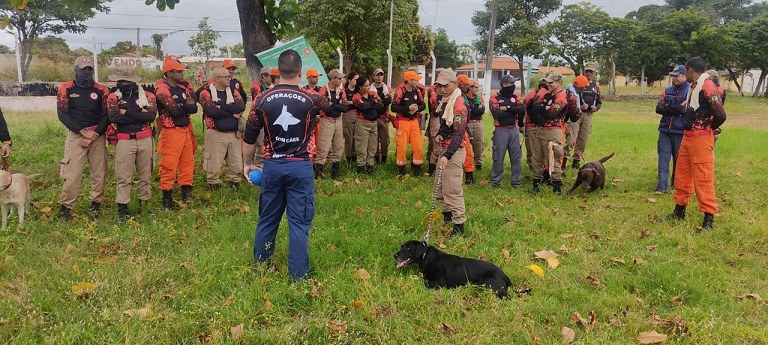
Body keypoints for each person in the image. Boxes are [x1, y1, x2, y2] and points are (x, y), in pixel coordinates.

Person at [242, 49, 327, 280]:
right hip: (300, 166)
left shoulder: (261, 99)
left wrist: (247, 164)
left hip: (273, 166)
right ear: (300, 72)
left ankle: (261, 268)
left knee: (268, 218)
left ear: (278, 72)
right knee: (299, 223)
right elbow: (333, 108)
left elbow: (249, 137)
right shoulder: (313, 99)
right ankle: (298, 276)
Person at [664, 57, 726, 230]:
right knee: (682, 175)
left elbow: (721, 114)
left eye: (686, 71)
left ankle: (708, 218)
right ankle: (679, 211)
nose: (685, 74)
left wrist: (707, 128)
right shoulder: (694, 86)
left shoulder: (707, 85)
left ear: (690, 70)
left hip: (701, 139)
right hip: (687, 137)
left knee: (703, 178)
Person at [57, 56, 110, 221]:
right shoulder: (65, 88)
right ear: (76, 70)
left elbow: (107, 115)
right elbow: (63, 115)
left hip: (97, 135)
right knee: (72, 174)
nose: (86, 72)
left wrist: (94, 134)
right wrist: (82, 132)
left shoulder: (102, 90)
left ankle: (95, 205)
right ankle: (66, 207)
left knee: (99, 173)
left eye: (89, 69)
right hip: (76, 135)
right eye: (83, 69)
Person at [106, 66, 157, 221]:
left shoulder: (147, 95)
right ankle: (122, 209)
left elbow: (151, 117)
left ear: (133, 81)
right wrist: (140, 114)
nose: (123, 84)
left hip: (145, 139)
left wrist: (127, 112)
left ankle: (144, 205)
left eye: (126, 81)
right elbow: (114, 118)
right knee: (123, 177)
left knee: (145, 175)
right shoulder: (113, 97)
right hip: (124, 140)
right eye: (120, 81)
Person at [155, 56, 199, 211]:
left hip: (185, 129)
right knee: (168, 165)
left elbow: (194, 108)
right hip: (170, 132)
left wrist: (182, 106)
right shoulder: (162, 89)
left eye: (182, 71)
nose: (182, 74)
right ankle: (167, 199)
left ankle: (186, 193)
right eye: (178, 71)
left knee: (187, 163)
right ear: (169, 73)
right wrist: (184, 106)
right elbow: (174, 110)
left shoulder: (182, 87)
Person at [433, 69, 468, 236]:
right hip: (445, 148)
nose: (442, 89)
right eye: (439, 86)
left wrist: (447, 155)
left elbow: (458, 134)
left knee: (452, 190)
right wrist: (440, 134)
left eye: (445, 86)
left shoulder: (459, 104)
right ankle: (447, 219)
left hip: (454, 151)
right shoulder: (446, 100)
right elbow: (447, 125)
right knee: (440, 187)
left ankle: (459, 226)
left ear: (455, 84)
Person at [200, 67, 246, 189]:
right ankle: (214, 184)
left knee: (236, 163)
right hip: (215, 132)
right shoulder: (206, 93)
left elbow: (241, 107)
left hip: (233, 133)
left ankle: (234, 182)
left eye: (229, 76)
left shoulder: (234, 92)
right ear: (216, 78)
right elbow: (211, 111)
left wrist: (221, 107)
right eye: (226, 77)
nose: (229, 78)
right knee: (213, 163)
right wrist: (232, 113)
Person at [529, 71, 569, 195]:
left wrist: (542, 109)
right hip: (540, 129)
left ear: (559, 82)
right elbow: (534, 109)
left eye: (551, 83)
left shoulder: (562, 97)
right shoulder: (547, 95)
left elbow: (551, 113)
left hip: (553, 131)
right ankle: (535, 187)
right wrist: (543, 109)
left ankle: (557, 189)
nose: (548, 85)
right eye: (547, 82)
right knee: (537, 158)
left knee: (553, 158)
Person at [654, 65, 689, 194]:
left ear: (684, 76)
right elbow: (658, 108)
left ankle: (677, 185)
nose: (674, 78)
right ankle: (662, 187)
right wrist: (676, 108)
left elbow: (684, 110)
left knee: (679, 160)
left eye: (677, 76)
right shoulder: (667, 90)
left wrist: (668, 108)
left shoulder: (690, 90)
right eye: (673, 76)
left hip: (680, 131)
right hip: (664, 129)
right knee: (663, 158)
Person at [489, 75, 525, 188]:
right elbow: (497, 114)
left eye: (514, 83)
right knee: (498, 156)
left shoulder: (516, 96)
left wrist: (507, 108)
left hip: (514, 129)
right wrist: (514, 110)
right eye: (511, 83)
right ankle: (496, 182)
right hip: (501, 130)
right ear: (504, 85)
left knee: (516, 157)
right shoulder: (495, 98)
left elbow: (522, 110)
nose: (513, 85)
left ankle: (516, 182)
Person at [566, 64, 602, 169]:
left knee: (583, 139)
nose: (589, 73)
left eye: (591, 72)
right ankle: (564, 159)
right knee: (571, 138)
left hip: (588, 114)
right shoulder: (576, 84)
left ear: (594, 73)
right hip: (576, 113)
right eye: (587, 71)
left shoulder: (595, 86)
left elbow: (599, 102)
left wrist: (596, 108)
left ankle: (576, 161)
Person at [391, 70, 426, 176]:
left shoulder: (417, 90)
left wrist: (417, 108)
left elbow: (423, 105)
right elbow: (393, 107)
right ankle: (401, 170)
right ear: (410, 81)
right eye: (416, 80)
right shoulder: (400, 91)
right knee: (402, 147)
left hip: (414, 121)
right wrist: (407, 108)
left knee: (418, 145)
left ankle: (417, 168)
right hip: (402, 121)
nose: (418, 82)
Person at [315, 69, 348, 179]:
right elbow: (326, 108)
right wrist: (338, 106)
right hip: (327, 120)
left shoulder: (341, 91)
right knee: (323, 146)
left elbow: (346, 108)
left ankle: (335, 173)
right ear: (332, 79)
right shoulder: (323, 90)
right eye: (339, 78)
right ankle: (318, 173)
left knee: (338, 146)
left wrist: (333, 104)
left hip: (338, 120)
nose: (341, 80)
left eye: (341, 78)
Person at [352, 79, 384, 174]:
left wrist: (369, 104)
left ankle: (370, 165)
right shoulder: (356, 96)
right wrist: (373, 103)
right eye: (366, 86)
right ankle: (361, 166)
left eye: (369, 85)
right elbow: (361, 107)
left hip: (374, 123)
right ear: (360, 87)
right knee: (361, 146)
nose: (368, 87)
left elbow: (381, 104)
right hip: (362, 124)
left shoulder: (373, 93)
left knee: (372, 146)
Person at [249, 66, 273, 170]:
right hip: (259, 118)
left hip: (270, 118)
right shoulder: (256, 86)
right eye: (271, 76)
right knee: (260, 143)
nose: (273, 78)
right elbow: (260, 101)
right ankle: (259, 166)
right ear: (264, 76)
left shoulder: (273, 85)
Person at [462, 76, 486, 172]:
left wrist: (472, 109)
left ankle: (478, 163)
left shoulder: (479, 98)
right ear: (470, 87)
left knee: (479, 144)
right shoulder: (463, 97)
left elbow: (481, 111)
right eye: (475, 87)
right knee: (465, 144)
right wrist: (475, 109)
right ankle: (465, 164)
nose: (477, 89)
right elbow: (466, 111)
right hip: (467, 124)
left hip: (478, 123)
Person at [370, 68, 392, 164]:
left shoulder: (387, 89)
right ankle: (376, 159)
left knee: (384, 141)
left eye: (381, 75)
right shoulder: (369, 89)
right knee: (374, 141)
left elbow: (388, 101)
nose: (379, 77)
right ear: (373, 76)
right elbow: (372, 103)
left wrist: (378, 102)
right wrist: (382, 102)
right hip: (373, 118)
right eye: (377, 75)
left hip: (383, 118)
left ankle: (384, 159)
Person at [426, 68, 445, 175]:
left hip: (444, 118)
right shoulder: (433, 90)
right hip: (436, 118)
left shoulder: (445, 88)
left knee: (433, 143)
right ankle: (432, 169)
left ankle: (432, 165)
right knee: (436, 144)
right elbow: (435, 109)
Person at [342, 72, 360, 164]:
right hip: (348, 114)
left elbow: (361, 102)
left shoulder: (358, 90)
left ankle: (355, 155)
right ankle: (348, 157)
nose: (357, 81)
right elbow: (344, 102)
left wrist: (351, 102)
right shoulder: (344, 90)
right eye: (355, 79)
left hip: (358, 114)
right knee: (349, 136)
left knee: (357, 136)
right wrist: (355, 102)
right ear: (349, 80)